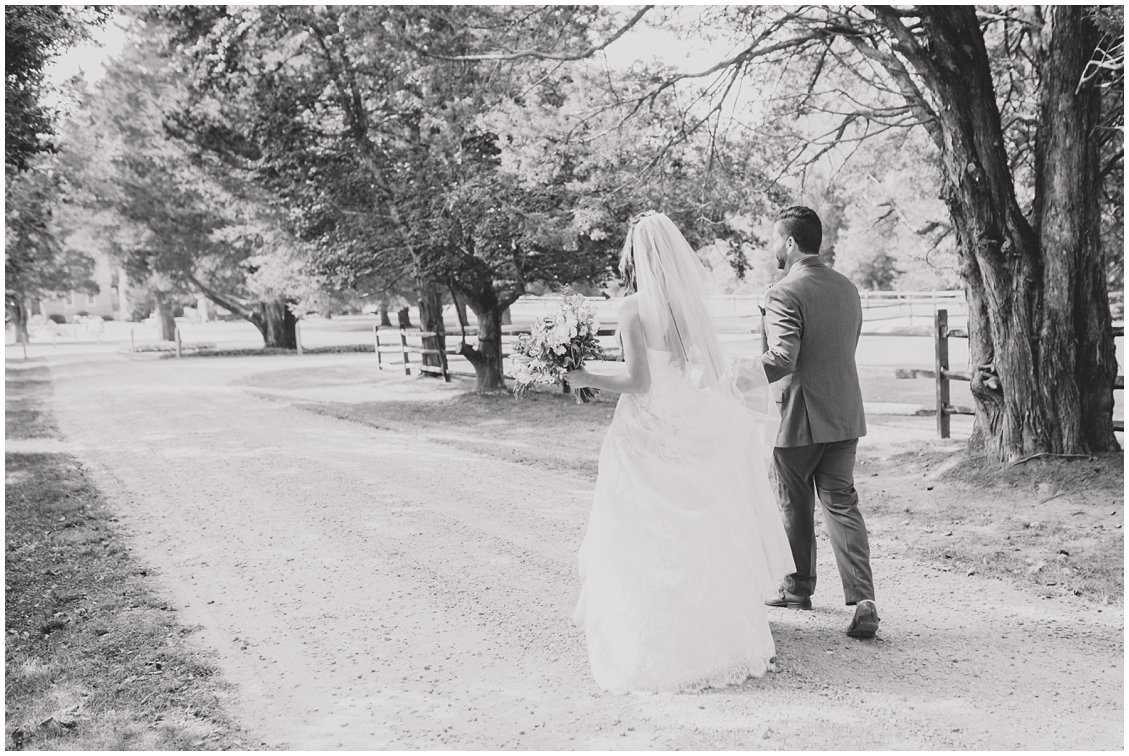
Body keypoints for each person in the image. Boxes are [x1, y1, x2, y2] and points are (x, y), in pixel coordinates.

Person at [566, 211, 794, 693]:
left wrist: (585, 378)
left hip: (645, 424)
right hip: (686, 412)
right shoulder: (684, 306)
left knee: (639, 525)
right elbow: (701, 367)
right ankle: (718, 626)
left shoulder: (631, 307)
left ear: (637, 254)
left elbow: (638, 380)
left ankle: (650, 629)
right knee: (699, 526)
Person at [748, 205, 879, 639]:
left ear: (789, 242)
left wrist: (735, 376)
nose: (773, 249)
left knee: (793, 501)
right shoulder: (848, 288)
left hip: (801, 415)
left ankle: (797, 587)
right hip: (845, 412)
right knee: (842, 503)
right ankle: (864, 599)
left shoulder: (785, 291)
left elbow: (783, 358)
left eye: (774, 240)